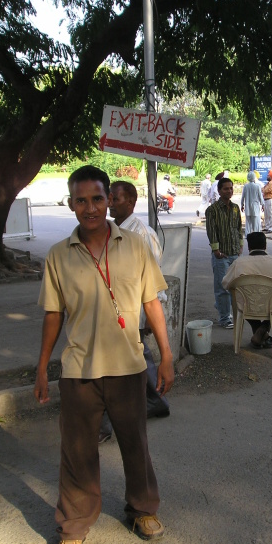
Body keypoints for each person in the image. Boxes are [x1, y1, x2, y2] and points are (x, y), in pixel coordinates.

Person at [34, 165, 174, 544]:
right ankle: (74, 526)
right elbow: (52, 314)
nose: (91, 208)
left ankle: (143, 510)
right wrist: (43, 366)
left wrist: (165, 356)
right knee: (77, 452)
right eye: (82, 200)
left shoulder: (135, 245)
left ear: (109, 199)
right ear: (71, 204)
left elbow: (151, 303)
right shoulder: (59, 255)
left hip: (129, 367)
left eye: (98, 199)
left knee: (135, 444)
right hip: (79, 370)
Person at [99, 181, 170, 444]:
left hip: (133, 312)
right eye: (109, 198)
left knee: (113, 365)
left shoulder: (141, 234)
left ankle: (104, 424)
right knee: (141, 357)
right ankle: (155, 402)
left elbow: (152, 281)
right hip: (112, 312)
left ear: (130, 202)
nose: (110, 203)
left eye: (115, 198)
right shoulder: (109, 230)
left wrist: (150, 318)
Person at [222, 232, 272, 348]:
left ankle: (260, 332)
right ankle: (263, 331)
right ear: (265, 245)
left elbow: (225, 284)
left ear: (249, 247)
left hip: (247, 306)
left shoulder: (238, 263)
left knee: (242, 300)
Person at [205, 177, 243, 329]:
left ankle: (222, 308)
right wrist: (216, 250)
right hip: (222, 256)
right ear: (219, 191)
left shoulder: (235, 208)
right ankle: (224, 318)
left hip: (234, 253)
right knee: (222, 288)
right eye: (226, 189)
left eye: (231, 188)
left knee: (234, 287)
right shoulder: (212, 210)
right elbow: (211, 231)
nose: (229, 191)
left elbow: (239, 228)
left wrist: (240, 246)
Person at [241, 171, 264, 236]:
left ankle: (247, 235)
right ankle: (256, 235)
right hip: (255, 207)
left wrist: (242, 205)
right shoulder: (257, 186)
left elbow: (243, 197)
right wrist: (263, 205)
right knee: (256, 222)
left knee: (248, 223)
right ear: (254, 177)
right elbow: (260, 196)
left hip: (247, 207)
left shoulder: (246, 186)